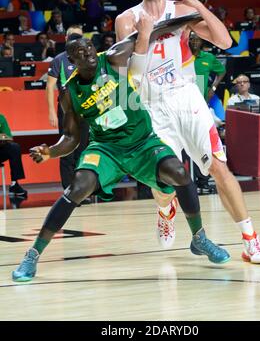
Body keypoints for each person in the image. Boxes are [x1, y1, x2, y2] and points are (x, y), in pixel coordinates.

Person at [12, 30, 231, 282]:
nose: (89, 52)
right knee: (76, 188)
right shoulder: (69, 92)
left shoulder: (113, 58)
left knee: (179, 173)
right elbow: (71, 138)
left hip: (142, 142)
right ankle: (32, 254)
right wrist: (50, 151)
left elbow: (151, 33)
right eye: (81, 51)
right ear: (72, 60)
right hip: (106, 148)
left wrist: (185, 20)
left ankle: (199, 238)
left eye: (90, 47)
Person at [116, 0, 260, 263]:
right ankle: (165, 209)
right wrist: (145, 32)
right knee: (165, 179)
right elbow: (131, 74)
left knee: (218, 167)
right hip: (151, 104)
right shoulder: (127, 19)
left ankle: (251, 240)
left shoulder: (182, 12)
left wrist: (197, 4)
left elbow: (226, 42)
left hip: (186, 98)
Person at [46, 26, 89, 191]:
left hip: (85, 111)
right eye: (73, 36)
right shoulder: (59, 60)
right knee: (67, 151)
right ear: (66, 38)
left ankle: (82, 190)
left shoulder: (87, 58)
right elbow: (50, 87)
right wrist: (51, 112)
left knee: (83, 150)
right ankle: (69, 190)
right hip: (67, 111)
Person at [189, 32, 225, 102]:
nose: (195, 41)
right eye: (192, 39)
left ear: (201, 42)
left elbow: (222, 72)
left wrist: (213, 88)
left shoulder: (209, 57)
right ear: (188, 41)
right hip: (186, 95)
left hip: (202, 95)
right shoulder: (183, 57)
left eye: (198, 39)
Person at [0, 113, 27, 198]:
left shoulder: (1, 118)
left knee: (14, 147)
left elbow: (8, 138)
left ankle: (14, 184)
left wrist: (2, 138)